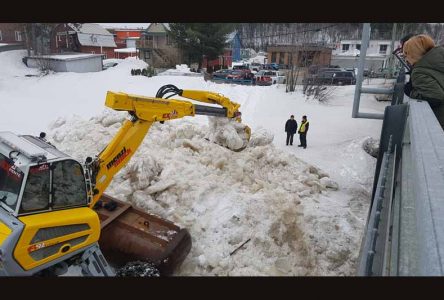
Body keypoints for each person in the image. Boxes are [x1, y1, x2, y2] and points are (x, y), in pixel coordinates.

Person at [402, 34, 444, 128]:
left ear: (413, 54)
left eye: (406, 54)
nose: (406, 58)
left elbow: (435, 97)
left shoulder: (419, 71)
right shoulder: (439, 58)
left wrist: (411, 92)